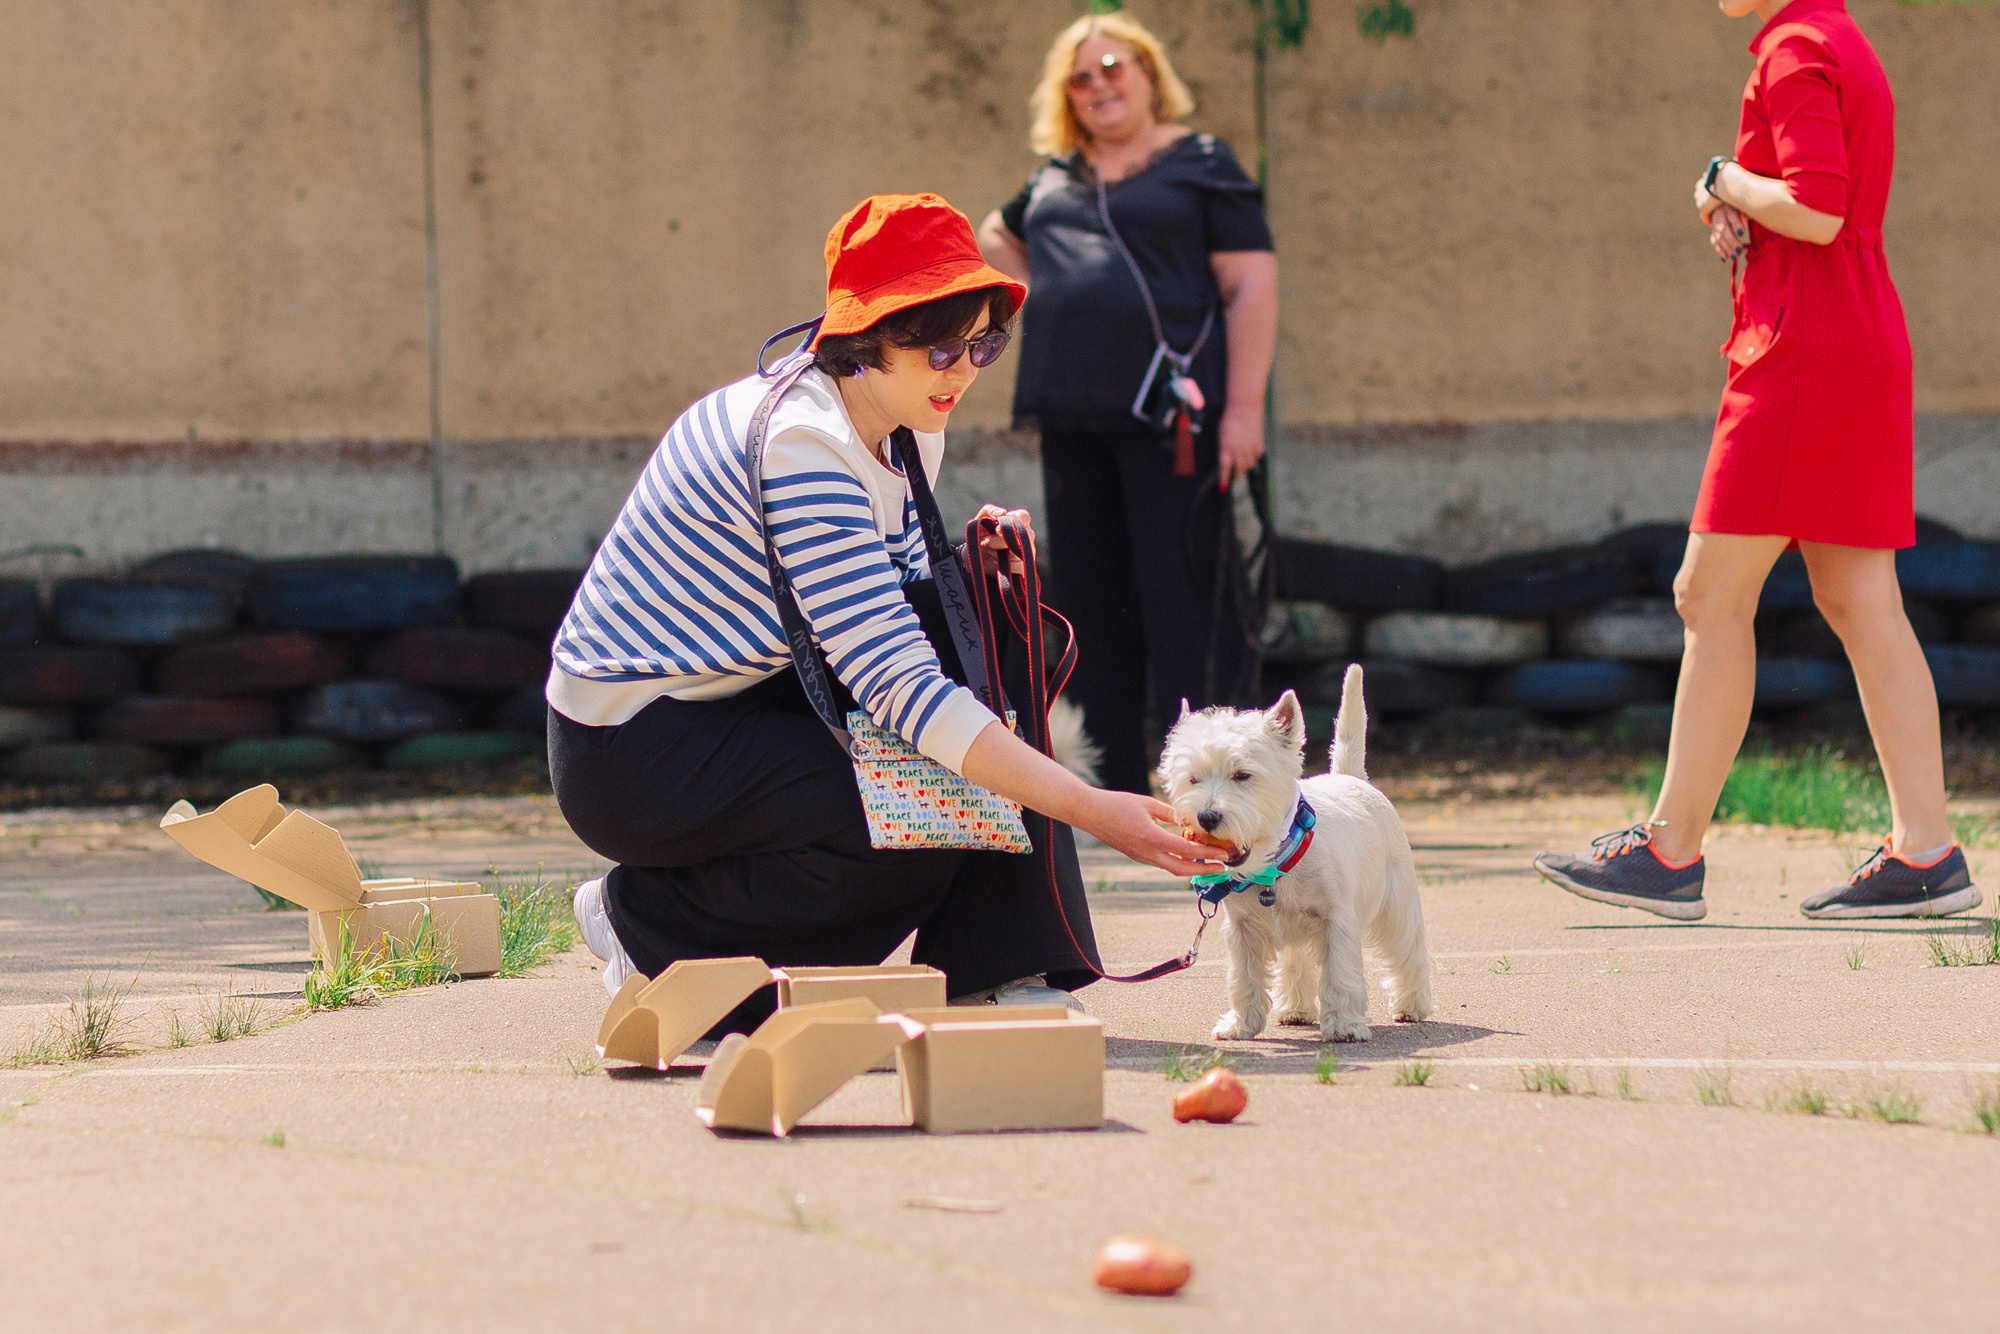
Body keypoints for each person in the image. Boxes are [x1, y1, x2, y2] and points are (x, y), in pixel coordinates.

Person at [545, 193, 1220, 1020]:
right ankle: (649, 929)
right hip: (632, 753)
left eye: (986, 342)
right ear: (863, 343)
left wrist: (985, 590)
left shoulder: (902, 422)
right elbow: (894, 680)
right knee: (928, 808)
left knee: (986, 631)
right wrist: (1092, 808)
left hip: (738, 698)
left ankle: (1001, 969)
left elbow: (909, 630)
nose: (965, 371)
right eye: (941, 349)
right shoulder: (803, 445)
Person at [1536, 0, 1979, 922]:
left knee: (1709, 593)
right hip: (1852, 337)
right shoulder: (1834, 38)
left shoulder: (1792, 48)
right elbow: (1820, 207)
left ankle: (1670, 851)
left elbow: (1819, 211)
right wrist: (1735, 198)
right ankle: (1927, 853)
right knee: (1861, 601)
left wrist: (1728, 180)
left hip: (1803, 357)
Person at [976, 11, 1279, 796]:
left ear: (1148, 74)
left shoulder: (1201, 163)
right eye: (1081, 76)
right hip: (1074, 417)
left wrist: (1243, 408)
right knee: (1088, 604)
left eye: (1114, 66)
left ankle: (1222, 782)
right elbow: (993, 237)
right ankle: (1108, 786)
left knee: (1184, 599)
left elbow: (1251, 284)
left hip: (1175, 424)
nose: (1099, 82)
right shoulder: (1055, 177)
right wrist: (1057, 293)